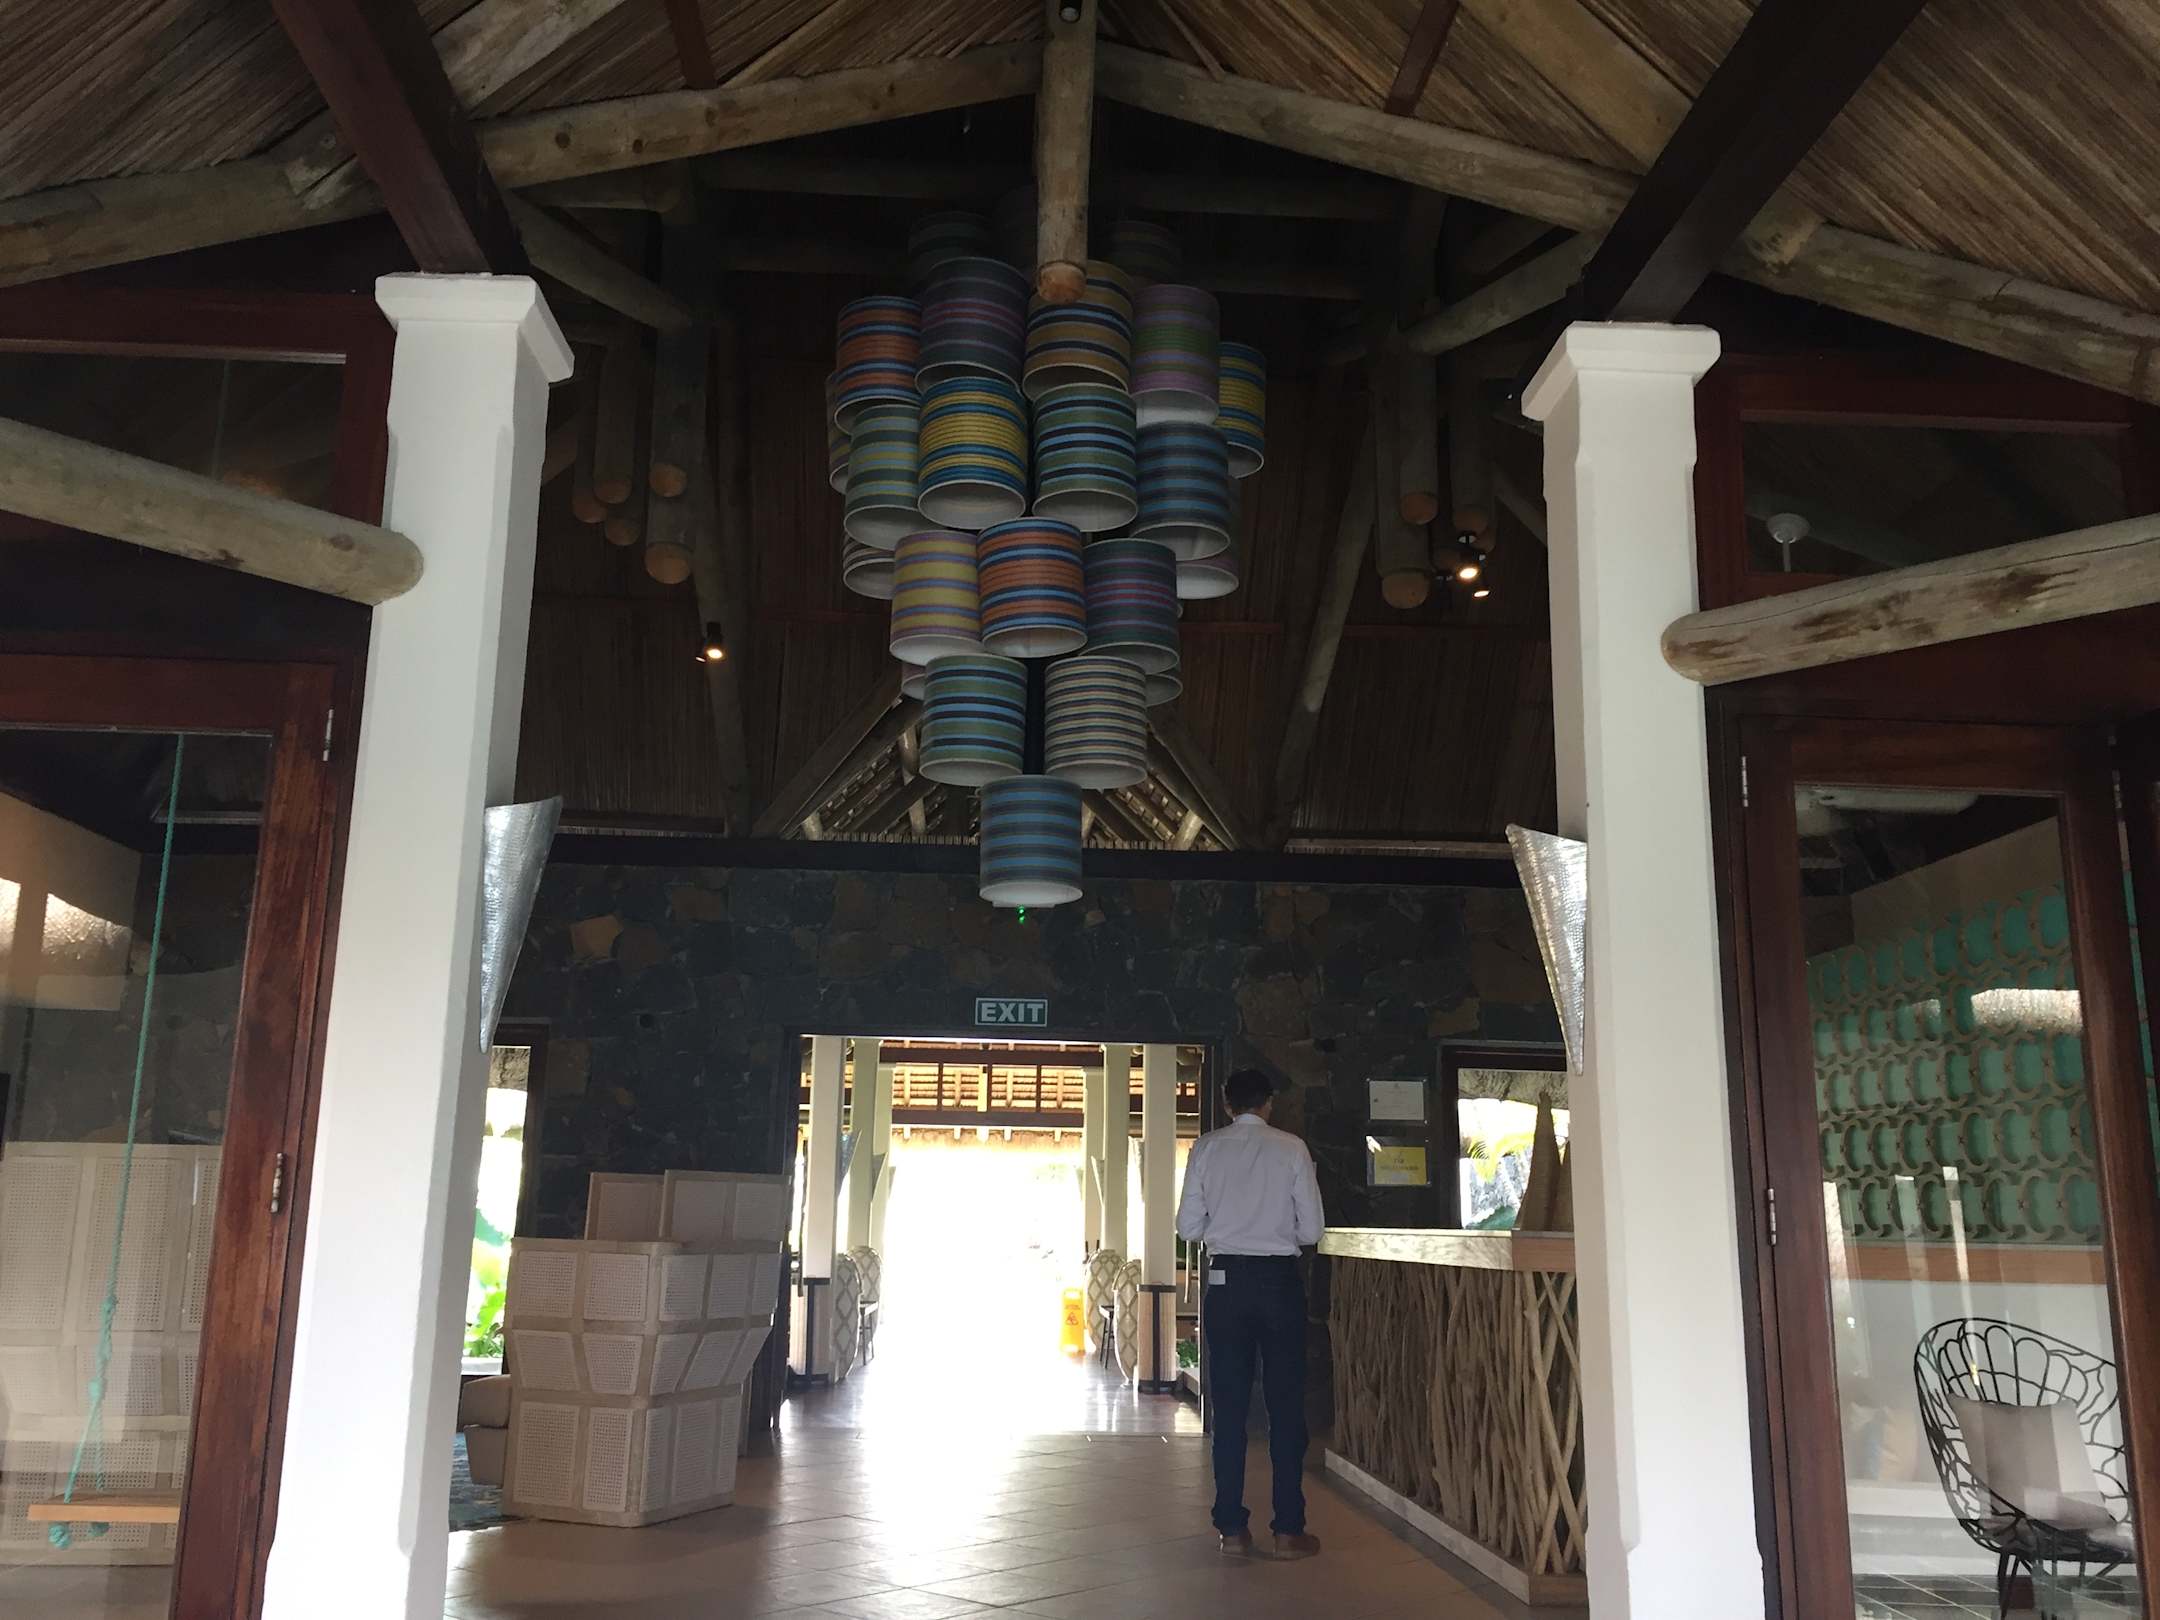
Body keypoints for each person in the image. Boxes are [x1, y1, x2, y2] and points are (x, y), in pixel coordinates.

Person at [1175, 1067, 1325, 1559]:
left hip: (1226, 1283)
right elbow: (1311, 1231)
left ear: (1226, 1104)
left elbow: (1188, 1227)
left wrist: (1228, 1226)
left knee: (1230, 1408)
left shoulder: (1206, 1149)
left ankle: (1232, 1530)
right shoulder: (1292, 1148)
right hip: (1279, 1283)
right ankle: (1288, 1531)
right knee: (1286, 1407)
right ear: (1269, 1103)